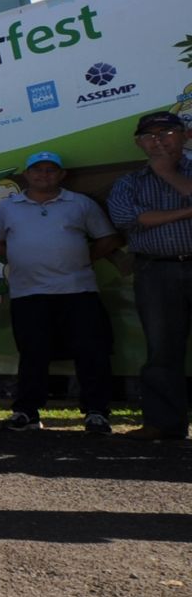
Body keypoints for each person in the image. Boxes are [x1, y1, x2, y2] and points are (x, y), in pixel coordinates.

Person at [0, 150, 123, 434]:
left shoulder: (80, 203)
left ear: (62, 175)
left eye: (51, 170)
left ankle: (96, 412)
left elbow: (108, 239)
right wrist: (21, 260)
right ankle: (27, 412)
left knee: (91, 351)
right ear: (27, 174)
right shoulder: (8, 207)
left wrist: (80, 259)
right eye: (38, 170)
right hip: (28, 292)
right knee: (32, 353)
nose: (43, 175)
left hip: (78, 288)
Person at [107, 110, 192, 441]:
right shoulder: (129, 182)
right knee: (162, 350)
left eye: (166, 133)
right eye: (150, 136)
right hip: (155, 270)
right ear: (139, 143)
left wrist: (170, 176)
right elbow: (126, 218)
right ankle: (164, 424)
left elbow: (143, 217)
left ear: (185, 135)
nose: (158, 141)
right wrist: (187, 210)